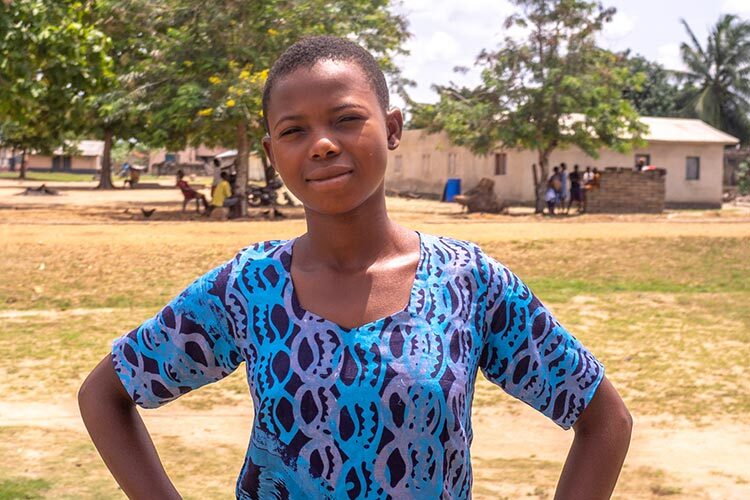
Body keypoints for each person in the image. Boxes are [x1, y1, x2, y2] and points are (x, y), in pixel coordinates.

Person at [79, 36, 632, 500]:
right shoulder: (249, 288)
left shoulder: (469, 282)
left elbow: (604, 422)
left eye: (346, 120)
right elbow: (105, 394)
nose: (321, 144)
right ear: (273, 153)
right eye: (294, 131)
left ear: (391, 129)